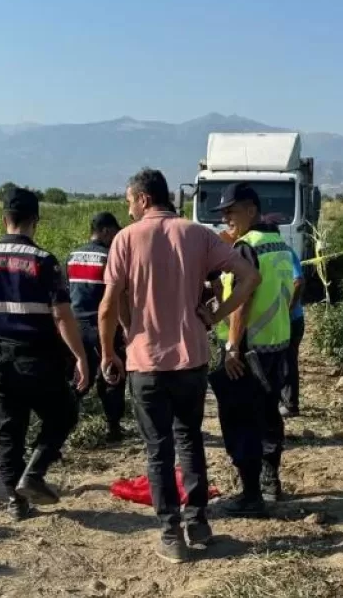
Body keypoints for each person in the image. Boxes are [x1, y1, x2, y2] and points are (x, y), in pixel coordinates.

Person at [100, 168, 259, 563]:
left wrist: (110, 350)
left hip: (145, 362)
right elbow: (249, 276)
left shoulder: (126, 238)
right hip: (191, 360)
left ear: (141, 199)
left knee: (158, 449)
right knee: (189, 440)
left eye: (129, 202)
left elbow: (107, 304)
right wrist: (215, 316)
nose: (129, 209)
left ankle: (171, 534)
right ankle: (199, 521)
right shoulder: (198, 234)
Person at [0, 187, 90, 520]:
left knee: (9, 429)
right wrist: (80, 356)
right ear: (35, 220)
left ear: (4, 218)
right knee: (63, 413)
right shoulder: (44, 261)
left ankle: (15, 501)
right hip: (38, 358)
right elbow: (62, 315)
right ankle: (33, 473)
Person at [208, 182, 297, 517]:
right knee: (269, 414)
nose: (226, 219)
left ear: (250, 209)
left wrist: (232, 346)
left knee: (240, 419)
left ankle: (250, 495)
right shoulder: (278, 244)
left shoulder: (247, 247)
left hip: (248, 350)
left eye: (230, 211)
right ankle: (270, 481)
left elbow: (242, 303)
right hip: (277, 344)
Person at [67, 212, 127, 442]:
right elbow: (118, 298)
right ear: (104, 231)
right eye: (113, 232)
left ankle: (64, 425)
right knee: (112, 375)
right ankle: (113, 427)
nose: (115, 237)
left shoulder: (72, 256)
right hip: (103, 325)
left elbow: (65, 292)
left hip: (75, 326)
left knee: (80, 376)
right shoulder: (110, 257)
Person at [280, 247, 306, 418]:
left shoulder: (285, 253)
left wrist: (287, 310)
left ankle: (290, 404)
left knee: (287, 360)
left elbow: (298, 281)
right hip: (289, 319)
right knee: (284, 360)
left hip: (291, 320)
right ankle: (285, 401)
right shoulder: (284, 251)